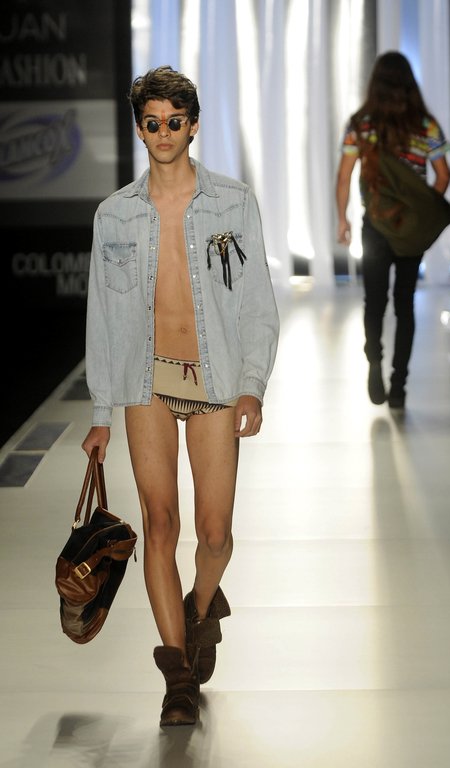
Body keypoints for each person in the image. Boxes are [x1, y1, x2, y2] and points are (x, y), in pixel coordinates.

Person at [81, 65, 279, 727]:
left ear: (192, 126)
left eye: (173, 121)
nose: (162, 132)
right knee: (160, 525)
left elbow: (257, 303)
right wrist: (101, 411)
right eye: (151, 122)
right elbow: (102, 317)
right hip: (147, 382)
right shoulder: (114, 214)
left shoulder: (233, 203)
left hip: (215, 380)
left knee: (215, 533)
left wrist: (252, 384)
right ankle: (177, 678)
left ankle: (200, 607)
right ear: (139, 129)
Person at [335, 51, 450, 409]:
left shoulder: (361, 125)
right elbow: (443, 175)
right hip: (410, 230)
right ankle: (399, 383)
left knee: (374, 301)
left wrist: (343, 219)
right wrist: (422, 211)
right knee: (405, 304)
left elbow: (344, 177)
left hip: (376, 226)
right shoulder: (426, 126)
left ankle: (375, 363)